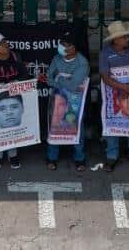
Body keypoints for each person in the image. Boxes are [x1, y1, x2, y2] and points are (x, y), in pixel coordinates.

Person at [99, 21, 129, 172]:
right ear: (115, 40)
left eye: (127, 36)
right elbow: (105, 77)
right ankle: (112, 156)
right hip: (114, 94)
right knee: (113, 124)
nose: (127, 39)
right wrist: (123, 87)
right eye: (124, 37)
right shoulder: (105, 54)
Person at [45, 31, 90, 172]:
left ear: (75, 47)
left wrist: (59, 78)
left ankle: (79, 158)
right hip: (58, 99)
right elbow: (48, 79)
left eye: (67, 45)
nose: (63, 47)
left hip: (75, 100)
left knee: (76, 127)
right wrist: (64, 79)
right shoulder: (56, 59)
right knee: (54, 127)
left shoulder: (82, 63)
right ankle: (52, 157)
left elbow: (72, 86)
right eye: (62, 44)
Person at [0, 32, 28, 169]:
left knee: (13, 127)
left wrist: (17, 81)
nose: (6, 45)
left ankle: (13, 155)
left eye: (5, 42)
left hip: (14, 97)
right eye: (2, 44)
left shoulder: (15, 57)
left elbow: (25, 74)